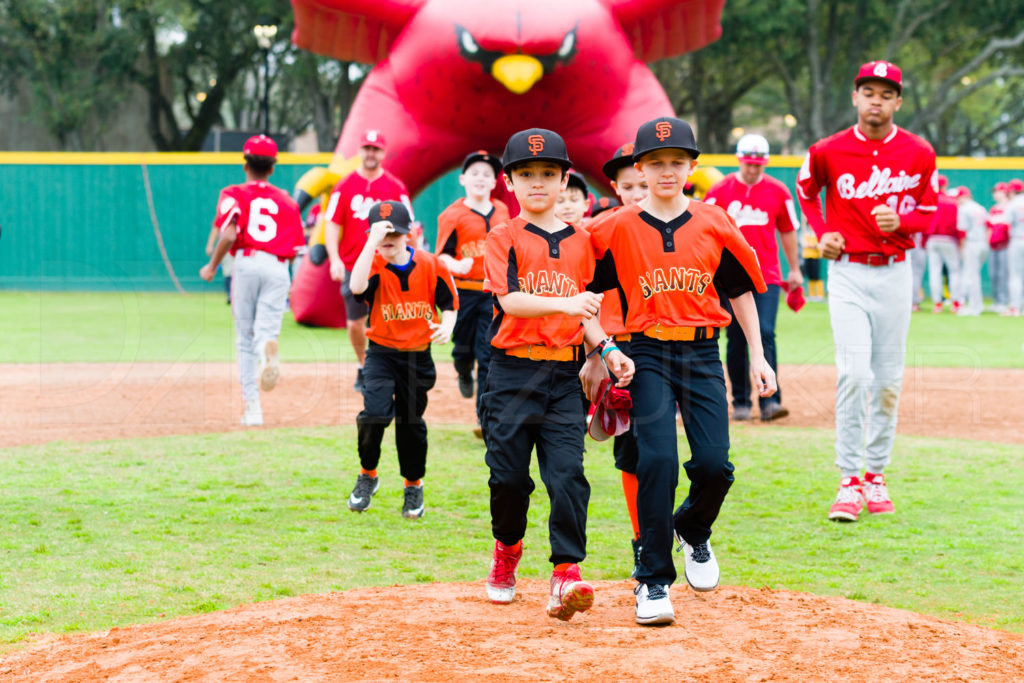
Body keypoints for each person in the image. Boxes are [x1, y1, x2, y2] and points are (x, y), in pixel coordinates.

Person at [586, 116, 775, 626]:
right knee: (657, 462)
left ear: (691, 166)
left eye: (676, 162)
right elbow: (583, 294)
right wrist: (599, 351)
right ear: (641, 168)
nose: (666, 171)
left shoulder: (713, 221)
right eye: (655, 163)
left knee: (714, 465)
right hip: (644, 353)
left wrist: (757, 355)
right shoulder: (616, 226)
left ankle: (692, 528)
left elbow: (739, 291)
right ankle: (651, 581)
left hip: (702, 354)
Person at [480, 128, 634, 622]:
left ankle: (566, 573)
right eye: (526, 174)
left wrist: (607, 350)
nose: (538, 182)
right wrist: (568, 303)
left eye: (549, 173)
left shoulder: (584, 242)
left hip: (564, 377)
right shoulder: (502, 236)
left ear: (565, 178)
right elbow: (511, 301)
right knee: (508, 480)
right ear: (511, 182)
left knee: (568, 476)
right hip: (510, 375)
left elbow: (587, 310)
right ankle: (507, 551)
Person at [796, 61, 938, 522]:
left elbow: (930, 211)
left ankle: (876, 475)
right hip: (849, 272)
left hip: (896, 271)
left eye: (886, 93)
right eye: (868, 91)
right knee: (854, 374)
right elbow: (805, 190)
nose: (876, 100)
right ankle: (848, 480)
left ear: (898, 101)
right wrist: (821, 233)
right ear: (855, 97)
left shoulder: (918, 152)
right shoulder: (827, 150)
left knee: (889, 379)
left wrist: (906, 222)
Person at [345, 201, 458, 518]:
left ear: (409, 233)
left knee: (410, 424)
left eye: (394, 231)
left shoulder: (431, 264)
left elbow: (449, 304)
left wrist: (446, 327)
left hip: (417, 357)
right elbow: (356, 287)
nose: (388, 237)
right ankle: (368, 474)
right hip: (381, 354)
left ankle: (413, 485)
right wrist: (371, 241)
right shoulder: (374, 265)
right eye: (381, 232)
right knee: (374, 415)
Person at [199, 135, 305, 426]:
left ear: (246, 164)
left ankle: (253, 410)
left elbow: (230, 234)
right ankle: (266, 349)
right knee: (266, 331)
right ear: (272, 168)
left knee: (244, 338)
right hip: (278, 265)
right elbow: (297, 251)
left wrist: (211, 267)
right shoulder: (287, 200)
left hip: (247, 261)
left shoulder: (233, 192)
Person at [585, 142, 650, 579]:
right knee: (632, 452)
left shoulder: (681, 225)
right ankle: (641, 541)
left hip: (664, 346)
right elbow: (582, 295)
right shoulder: (598, 232)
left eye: (644, 184)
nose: (638, 193)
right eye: (629, 186)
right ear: (615, 187)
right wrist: (596, 351)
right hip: (616, 348)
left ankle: (673, 531)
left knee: (663, 454)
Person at [704, 133, 802, 422]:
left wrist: (794, 269)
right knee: (735, 336)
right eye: (748, 164)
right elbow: (704, 231)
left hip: (767, 273)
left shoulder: (778, 191)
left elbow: (787, 230)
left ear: (766, 163)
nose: (753, 169)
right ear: (739, 160)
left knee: (766, 332)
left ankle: (771, 400)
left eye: (758, 164)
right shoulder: (719, 191)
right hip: (727, 276)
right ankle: (741, 401)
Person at [324, 130, 414, 393]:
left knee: (388, 319)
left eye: (376, 148)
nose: (371, 153)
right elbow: (332, 224)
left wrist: (412, 256)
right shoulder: (345, 185)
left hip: (388, 264)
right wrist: (333, 259)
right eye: (367, 148)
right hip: (354, 264)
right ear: (360, 151)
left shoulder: (395, 186)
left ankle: (385, 369)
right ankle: (364, 365)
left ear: (383, 153)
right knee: (355, 322)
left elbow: (410, 225)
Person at [435, 151, 511, 436]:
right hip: (464, 294)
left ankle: (484, 419)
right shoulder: (451, 215)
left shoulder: (502, 211)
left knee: (488, 353)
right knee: (463, 349)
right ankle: (462, 368)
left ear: (495, 182)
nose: (481, 178)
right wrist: (457, 264)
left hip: (491, 294)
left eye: (487, 174)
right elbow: (440, 256)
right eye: (475, 173)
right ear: (463, 179)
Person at [926, 184, 962, 313]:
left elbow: (926, 221)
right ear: (945, 185)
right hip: (949, 239)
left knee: (934, 272)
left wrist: (925, 240)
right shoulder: (953, 201)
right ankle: (956, 303)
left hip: (932, 239)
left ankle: (937, 304)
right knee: (954, 272)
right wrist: (959, 241)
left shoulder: (930, 199)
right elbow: (958, 223)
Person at [954, 187, 989, 316]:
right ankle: (976, 304)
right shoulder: (980, 207)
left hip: (972, 243)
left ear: (964, 197)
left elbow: (962, 230)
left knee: (972, 276)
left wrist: (962, 247)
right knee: (974, 275)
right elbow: (988, 226)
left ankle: (975, 306)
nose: (957, 201)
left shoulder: (964, 209)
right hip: (983, 243)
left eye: (958, 198)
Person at [987, 182, 1011, 313]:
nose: (995, 194)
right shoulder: (994, 208)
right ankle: (997, 301)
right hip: (994, 246)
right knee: (994, 274)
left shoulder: (1010, 207)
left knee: (1004, 274)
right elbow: (989, 228)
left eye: (997, 191)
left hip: (1007, 246)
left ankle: (1004, 301)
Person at [1004, 178, 1024, 317]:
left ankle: (1015, 308)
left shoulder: (1012, 204)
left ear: (1011, 191)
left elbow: (1006, 225)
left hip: (1017, 240)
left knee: (1016, 276)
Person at [204, 225, 234, 304]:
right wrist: (210, 245)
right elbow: (216, 228)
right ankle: (230, 295)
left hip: (240, 247)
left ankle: (234, 294)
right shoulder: (221, 214)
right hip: (227, 247)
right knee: (228, 271)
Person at [801, 224, 825, 301]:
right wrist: (811, 246)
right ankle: (811, 295)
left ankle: (820, 295)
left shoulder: (817, 235)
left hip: (815, 257)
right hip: (807, 257)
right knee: (810, 276)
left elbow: (818, 246)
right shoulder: (806, 235)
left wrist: (812, 246)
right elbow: (804, 244)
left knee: (816, 276)